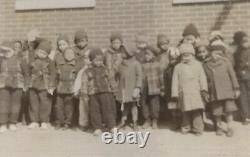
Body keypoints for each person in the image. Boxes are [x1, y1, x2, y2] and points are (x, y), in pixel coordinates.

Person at [203, 41, 240, 137]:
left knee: (229, 111)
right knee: (217, 112)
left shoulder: (226, 63)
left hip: (227, 91)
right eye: (215, 53)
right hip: (214, 92)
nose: (217, 55)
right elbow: (205, 80)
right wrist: (205, 92)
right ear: (210, 53)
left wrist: (236, 88)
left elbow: (233, 76)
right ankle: (219, 127)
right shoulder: (206, 64)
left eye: (220, 53)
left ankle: (230, 127)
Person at [172, 43, 208, 136]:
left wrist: (204, 89)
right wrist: (175, 93)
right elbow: (175, 81)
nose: (186, 58)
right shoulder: (178, 67)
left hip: (196, 92)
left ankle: (198, 128)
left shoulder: (198, 65)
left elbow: (202, 78)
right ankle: (186, 127)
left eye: (188, 55)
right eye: (184, 55)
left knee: (196, 111)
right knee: (185, 111)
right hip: (184, 92)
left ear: (193, 55)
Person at [80, 48, 116, 136]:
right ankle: (97, 128)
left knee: (108, 110)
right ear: (91, 60)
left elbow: (111, 80)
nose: (99, 62)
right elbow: (84, 82)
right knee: (94, 111)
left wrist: (114, 89)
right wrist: (84, 92)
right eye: (96, 60)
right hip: (93, 93)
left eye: (101, 60)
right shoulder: (87, 71)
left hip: (105, 92)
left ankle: (111, 126)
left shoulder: (106, 69)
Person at [0, 41, 28, 132]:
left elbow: (26, 73)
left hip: (18, 84)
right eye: (4, 51)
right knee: (3, 104)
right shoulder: (1, 60)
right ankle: (3, 123)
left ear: (13, 50)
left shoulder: (20, 59)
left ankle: (12, 122)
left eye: (9, 51)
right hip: (4, 84)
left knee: (15, 104)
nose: (6, 53)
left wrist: (26, 84)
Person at [28, 40, 56, 129]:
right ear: (37, 51)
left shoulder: (50, 62)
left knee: (45, 103)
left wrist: (51, 86)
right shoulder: (33, 59)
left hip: (44, 85)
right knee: (33, 103)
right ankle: (34, 121)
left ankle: (44, 121)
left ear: (47, 54)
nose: (41, 54)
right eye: (40, 51)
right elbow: (28, 71)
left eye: (44, 53)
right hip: (33, 85)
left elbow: (53, 74)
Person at [116, 46, 142, 130]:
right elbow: (117, 75)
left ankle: (135, 121)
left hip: (133, 89)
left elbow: (139, 76)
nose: (121, 54)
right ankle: (123, 121)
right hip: (124, 89)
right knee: (125, 106)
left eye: (123, 52)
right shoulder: (121, 64)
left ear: (129, 53)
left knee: (134, 106)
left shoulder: (136, 64)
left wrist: (137, 88)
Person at [54, 35, 76, 130]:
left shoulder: (74, 60)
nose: (62, 46)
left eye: (64, 44)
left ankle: (68, 122)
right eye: (60, 45)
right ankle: (59, 121)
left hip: (70, 87)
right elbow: (55, 71)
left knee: (69, 106)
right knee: (58, 106)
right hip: (60, 86)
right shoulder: (57, 57)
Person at [141, 46, 164, 129]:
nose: (146, 56)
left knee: (154, 105)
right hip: (144, 88)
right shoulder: (142, 65)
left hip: (155, 88)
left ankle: (155, 120)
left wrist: (162, 88)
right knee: (144, 104)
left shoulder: (158, 65)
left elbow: (161, 77)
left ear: (154, 55)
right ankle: (147, 120)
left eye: (148, 54)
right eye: (145, 54)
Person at [233, 31, 250, 125]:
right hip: (242, 77)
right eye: (244, 42)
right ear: (239, 43)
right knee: (243, 97)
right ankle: (246, 116)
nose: (247, 43)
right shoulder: (237, 53)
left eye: (247, 41)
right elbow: (236, 65)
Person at [164, 47, 181, 130]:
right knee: (172, 106)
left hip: (179, 90)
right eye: (171, 58)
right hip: (170, 90)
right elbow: (166, 80)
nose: (173, 60)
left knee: (180, 106)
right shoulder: (168, 69)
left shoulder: (181, 67)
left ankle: (182, 121)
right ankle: (174, 121)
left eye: (175, 58)